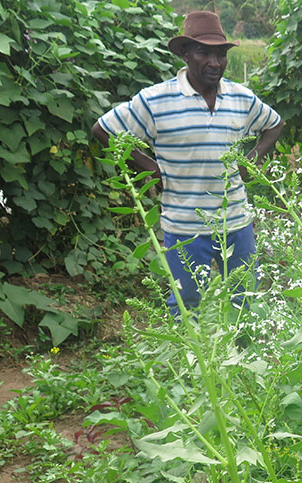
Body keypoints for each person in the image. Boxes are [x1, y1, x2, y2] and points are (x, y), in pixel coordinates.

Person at [92, 11, 284, 315]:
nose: (214, 62)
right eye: (203, 52)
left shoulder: (240, 97)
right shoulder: (156, 100)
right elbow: (103, 129)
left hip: (235, 221)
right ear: (184, 54)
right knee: (186, 306)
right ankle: (192, 362)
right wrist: (149, 167)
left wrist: (253, 160)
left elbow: (274, 125)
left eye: (220, 54)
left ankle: (244, 358)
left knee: (246, 302)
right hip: (184, 228)